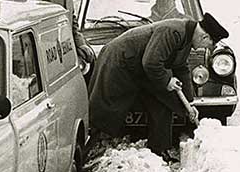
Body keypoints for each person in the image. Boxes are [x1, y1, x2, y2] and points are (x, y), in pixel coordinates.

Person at [87, 13, 229, 163]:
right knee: (108, 107)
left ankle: (159, 149)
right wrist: (167, 80)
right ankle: (94, 148)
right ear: (204, 37)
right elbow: (151, 62)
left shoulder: (187, 36)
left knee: (163, 103)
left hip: (140, 68)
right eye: (207, 45)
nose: (203, 48)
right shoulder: (173, 31)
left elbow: (181, 68)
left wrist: (190, 103)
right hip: (120, 61)